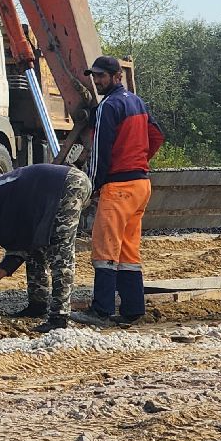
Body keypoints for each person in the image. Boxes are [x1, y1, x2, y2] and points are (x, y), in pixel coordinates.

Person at [0, 163, 91, 333]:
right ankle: (38, 305)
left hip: (67, 184)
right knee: (36, 249)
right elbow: (20, 250)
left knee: (60, 250)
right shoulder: (2, 204)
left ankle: (59, 316)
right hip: (52, 192)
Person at [84, 55, 165, 326]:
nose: (96, 81)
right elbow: (157, 136)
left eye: (101, 76)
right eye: (94, 76)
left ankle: (102, 310)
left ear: (116, 77)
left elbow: (100, 151)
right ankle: (132, 309)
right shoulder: (136, 102)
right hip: (141, 185)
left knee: (105, 250)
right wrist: (139, 159)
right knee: (129, 251)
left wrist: (93, 185)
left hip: (118, 187)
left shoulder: (108, 105)